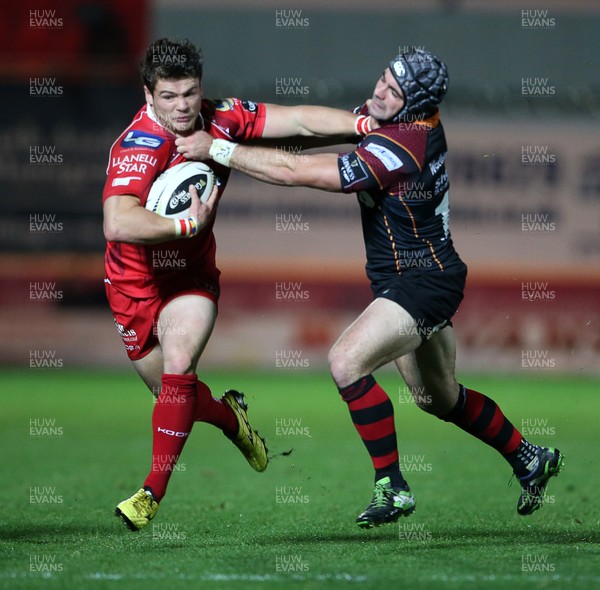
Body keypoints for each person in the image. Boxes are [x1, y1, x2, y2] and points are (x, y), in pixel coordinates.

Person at [175, 48, 564, 528]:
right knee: (438, 399)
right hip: (421, 278)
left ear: (413, 106)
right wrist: (231, 120)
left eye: (393, 91)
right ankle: (529, 458)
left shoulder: (402, 146)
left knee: (345, 361)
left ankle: (392, 486)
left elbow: (300, 172)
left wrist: (216, 148)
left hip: (421, 283)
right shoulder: (400, 120)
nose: (379, 92)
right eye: (383, 79)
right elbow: (308, 124)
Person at [102, 37, 376, 531]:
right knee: (173, 393)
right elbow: (118, 223)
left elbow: (296, 121)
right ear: (148, 96)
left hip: (190, 278)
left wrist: (361, 125)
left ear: (200, 88)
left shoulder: (222, 117)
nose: (182, 106)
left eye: (189, 92)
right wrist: (185, 225)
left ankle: (149, 493)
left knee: (180, 365)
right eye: (169, 96)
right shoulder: (138, 147)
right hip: (132, 285)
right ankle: (233, 419)